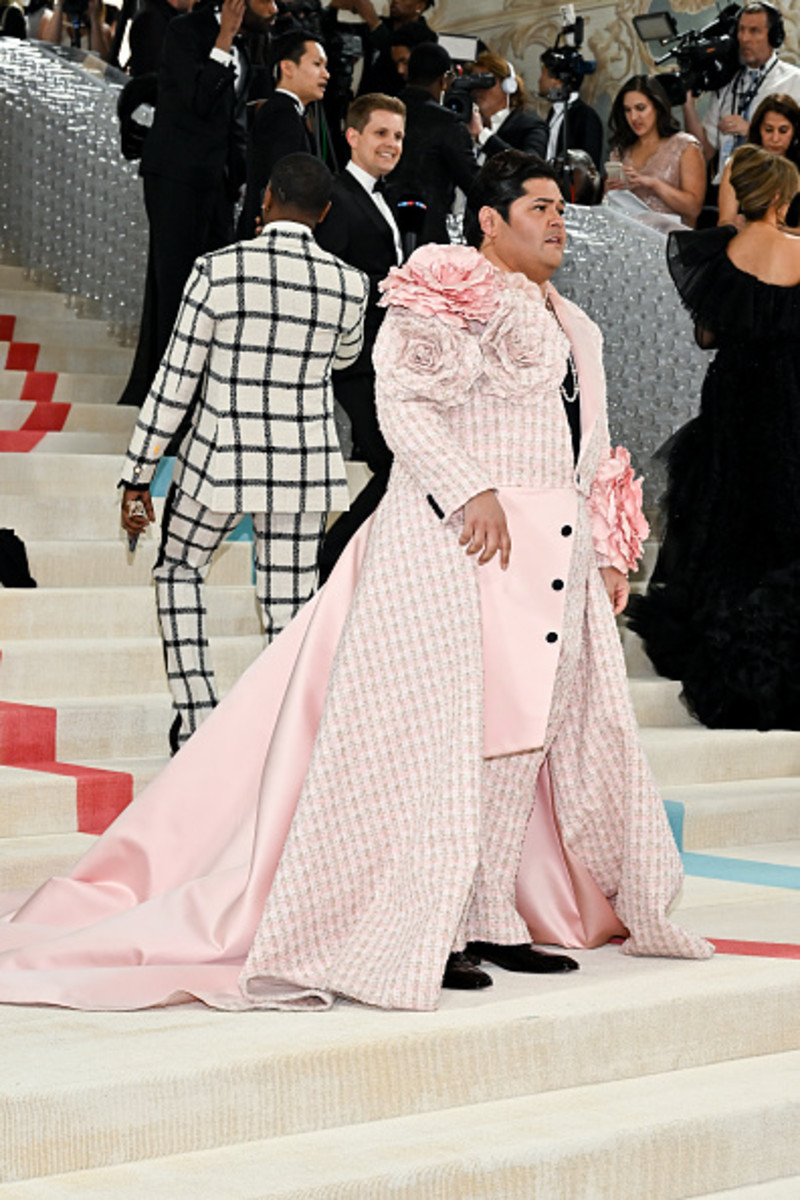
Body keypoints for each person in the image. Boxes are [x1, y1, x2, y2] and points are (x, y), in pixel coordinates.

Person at [0, 151, 711, 1015]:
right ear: (488, 221)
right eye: (539, 207)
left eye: (563, 206)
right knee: (433, 738)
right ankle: (422, 920)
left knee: (520, 739)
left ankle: (487, 914)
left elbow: (590, 444)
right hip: (457, 546)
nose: (559, 221)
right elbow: (402, 404)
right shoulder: (444, 283)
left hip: (547, 561)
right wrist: (468, 490)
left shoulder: (577, 324)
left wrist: (605, 544)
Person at [120, 153, 368, 751]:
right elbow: (346, 360)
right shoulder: (350, 283)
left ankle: (199, 717)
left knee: (178, 569)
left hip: (218, 462)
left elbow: (175, 380)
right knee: (288, 606)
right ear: (325, 213)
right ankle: (282, 739)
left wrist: (137, 473)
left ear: (265, 200)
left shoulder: (218, 270)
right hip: (304, 467)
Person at [629, 146, 800, 729]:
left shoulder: (718, 254)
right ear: (781, 196)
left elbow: (708, 335)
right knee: (785, 515)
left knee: (724, 510)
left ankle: (719, 630)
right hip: (790, 401)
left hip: (732, 400)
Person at [117, 0, 255, 408]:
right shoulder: (184, 31)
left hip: (217, 185)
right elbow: (197, 100)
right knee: (175, 285)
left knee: (210, 293)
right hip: (175, 179)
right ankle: (164, 395)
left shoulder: (249, 47)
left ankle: (195, 393)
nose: (277, 7)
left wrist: (241, 176)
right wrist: (224, 37)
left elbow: (231, 121)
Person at [314, 92, 405, 580]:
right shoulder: (337, 195)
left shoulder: (383, 195)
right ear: (352, 136)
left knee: (398, 463)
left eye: (398, 136)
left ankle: (343, 559)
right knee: (396, 462)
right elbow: (330, 279)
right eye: (381, 133)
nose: (392, 144)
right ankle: (332, 558)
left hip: (382, 355)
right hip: (353, 358)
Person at [683, 2, 800, 185]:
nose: (744, 38)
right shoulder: (725, 83)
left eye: (754, 31)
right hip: (723, 189)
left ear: (773, 37)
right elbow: (705, 152)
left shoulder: (795, 81)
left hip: (770, 189)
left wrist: (751, 130)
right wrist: (687, 101)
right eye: (741, 30)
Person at [384, 42, 479, 245]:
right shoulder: (448, 123)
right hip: (428, 234)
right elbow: (473, 183)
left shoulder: (382, 112)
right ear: (444, 79)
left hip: (379, 228)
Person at [237, 29, 329, 239]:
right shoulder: (282, 115)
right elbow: (284, 186)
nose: (326, 74)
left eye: (325, 66)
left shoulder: (286, 112)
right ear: (287, 67)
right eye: (317, 65)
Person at [606, 74, 706, 227]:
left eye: (640, 108)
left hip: (672, 242)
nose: (633, 117)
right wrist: (608, 191)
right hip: (625, 237)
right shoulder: (621, 151)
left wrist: (653, 184)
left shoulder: (685, 146)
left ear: (658, 107)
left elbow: (693, 209)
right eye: (627, 110)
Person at [717, 92, 800, 225]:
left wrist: (762, 229)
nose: (775, 138)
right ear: (758, 129)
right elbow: (725, 223)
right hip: (746, 242)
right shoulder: (739, 165)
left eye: (783, 131)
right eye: (768, 130)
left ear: (795, 131)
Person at [467, 50, 547, 161]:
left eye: (486, 82)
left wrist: (483, 136)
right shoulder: (465, 125)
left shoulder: (530, 125)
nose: (478, 90)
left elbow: (531, 166)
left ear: (508, 86)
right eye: (474, 82)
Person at [539, 44, 603, 170]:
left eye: (544, 74)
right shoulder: (554, 112)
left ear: (557, 80)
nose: (540, 80)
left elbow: (587, 169)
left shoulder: (586, 116)